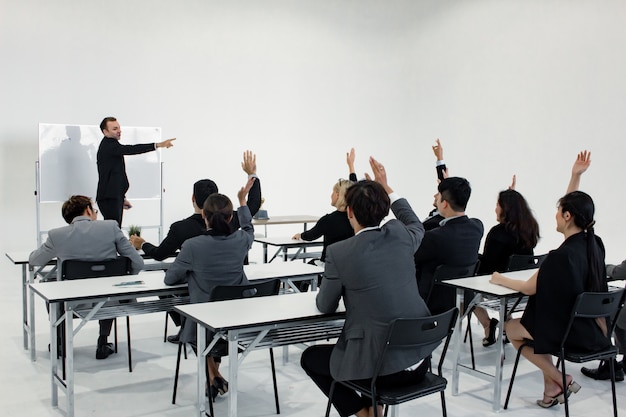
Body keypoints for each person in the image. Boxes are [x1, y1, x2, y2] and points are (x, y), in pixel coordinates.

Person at [300, 156, 432, 417]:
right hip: (419, 360)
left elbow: (325, 306)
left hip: (378, 369)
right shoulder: (401, 236)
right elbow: (415, 223)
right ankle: (374, 409)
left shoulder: (339, 253)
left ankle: (364, 413)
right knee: (367, 340)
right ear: (385, 210)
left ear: (349, 211)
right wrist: (387, 187)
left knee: (311, 358)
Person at [490, 190, 610, 408]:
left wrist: (499, 278)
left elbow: (527, 288)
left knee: (510, 329)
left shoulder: (560, 256)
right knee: (539, 325)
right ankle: (550, 389)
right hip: (594, 331)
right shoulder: (595, 244)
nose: (555, 215)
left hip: (570, 335)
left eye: (558, 211)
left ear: (567, 216)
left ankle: (559, 377)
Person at [131, 150, 261, 342]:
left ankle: (187, 327)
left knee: (169, 289)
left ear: (193, 199)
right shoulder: (236, 228)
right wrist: (252, 176)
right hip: (232, 296)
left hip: (202, 300)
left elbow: (159, 255)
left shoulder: (182, 231)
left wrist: (143, 243)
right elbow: (253, 208)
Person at [164, 177, 256, 400]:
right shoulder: (242, 240)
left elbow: (170, 280)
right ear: (230, 217)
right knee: (207, 324)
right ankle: (214, 374)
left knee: (198, 322)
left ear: (203, 216)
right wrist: (243, 202)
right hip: (237, 316)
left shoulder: (193, 246)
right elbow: (248, 228)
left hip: (204, 319)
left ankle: (212, 374)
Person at [29, 195, 144, 359]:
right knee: (106, 287)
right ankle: (103, 341)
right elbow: (138, 262)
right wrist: (124, 278)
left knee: (50, 285)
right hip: (110, 301)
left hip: (70, 303)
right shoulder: (111, 227)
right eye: (94, 210)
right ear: (88, 210)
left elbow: (34, 260)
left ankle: (60, 341)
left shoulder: (57, 235)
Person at [565, 150, 626, 381]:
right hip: (599, 321)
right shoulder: (595, 243)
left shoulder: (568, 251)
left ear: (567, 216)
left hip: (577, 329)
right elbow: (570, 207)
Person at [474, 178, 541, 346]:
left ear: (505, 209)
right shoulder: (529, 230)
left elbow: (487, 267)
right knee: (506, 272)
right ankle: (505, 328)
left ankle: (488, 325)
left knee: (464, 293)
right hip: (520, 288)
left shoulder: (498, 233)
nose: (495, 208)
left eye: (498, 204)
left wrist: (473, 257)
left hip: (500, 288)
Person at [414, 176, 484, 315]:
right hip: (463, 301)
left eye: (439, 195)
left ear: (444, 203)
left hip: (431, 303)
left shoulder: (435, 237)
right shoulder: (477, 227)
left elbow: (412, 257)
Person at [96, 116, 176, 226]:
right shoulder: (109, 145)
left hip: (113, 196)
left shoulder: (111, 144)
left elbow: (114, 174)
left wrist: (121, 197)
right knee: (113, 231)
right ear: (105, 132)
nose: (119, 131)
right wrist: (158, 145)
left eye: (119, 128)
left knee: (114, 229)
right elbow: (131, 149)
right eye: (115, 129)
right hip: (110, 198)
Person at [291, 148, 357, 265]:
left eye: (333, 192)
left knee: (309, 265)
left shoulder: (328, 220)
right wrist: (351, 166)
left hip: (329, 268)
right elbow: (356, 191)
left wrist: (300, 235)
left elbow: (311, 235)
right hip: (349, 267)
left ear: (338, 195)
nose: (330, 195)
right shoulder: (357, 216)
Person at [422, 138, 448, 231]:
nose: (434, 195)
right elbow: (445, 186)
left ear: (445, 203)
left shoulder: (438, 222)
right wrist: (440, 158)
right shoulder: (436, 213)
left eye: (438, 194)